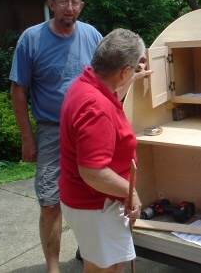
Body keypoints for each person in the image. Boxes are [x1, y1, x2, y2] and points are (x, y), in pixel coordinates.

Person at [9, 0, 103, 272]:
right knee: (50, 200)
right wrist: (28, 138)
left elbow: (108, 76)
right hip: (52, 130)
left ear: (82, 6)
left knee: (94, 191)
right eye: (64, 2)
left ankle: (87, 250)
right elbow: (18, 90)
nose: (70, 8)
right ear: (52, 5)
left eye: (75, 3)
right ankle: (53, 267)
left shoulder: (92, 35)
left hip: (89, 128)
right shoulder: (31, 39)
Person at [59, 28, 151, 272]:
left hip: (87, 202)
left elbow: (112, 89)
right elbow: (93, 172)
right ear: (123, 71)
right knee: (105, 270)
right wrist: (131, 193)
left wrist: (135, 76)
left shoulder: (87, 83)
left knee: (108, 266)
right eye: (132, 69)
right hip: (95, 206)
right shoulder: (96, 108)